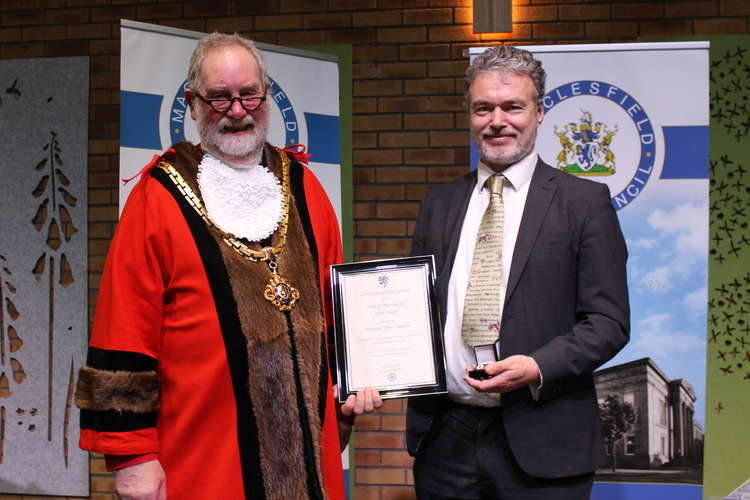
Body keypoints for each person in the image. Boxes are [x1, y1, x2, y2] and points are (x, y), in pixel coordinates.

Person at [75, 32, 380, 500]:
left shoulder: (305, 187)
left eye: (249, 95)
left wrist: (353, 384)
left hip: (308, 454)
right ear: (194, 103)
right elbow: (123, 330)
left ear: (267, 97)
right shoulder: (156, 197)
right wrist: (132, 456)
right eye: (219, 97)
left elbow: (338, 312)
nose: (237, 110)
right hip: (202, 456)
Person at [407, 45, 630, 499]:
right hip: (446, 438)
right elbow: (416, 310)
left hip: (544, 436)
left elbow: (608, 323)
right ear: (470, 114)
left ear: (540, 112)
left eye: (513, 107)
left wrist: (536, 365)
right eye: (483, 108)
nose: (497, 120)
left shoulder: (584, 204)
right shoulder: (439, 204)